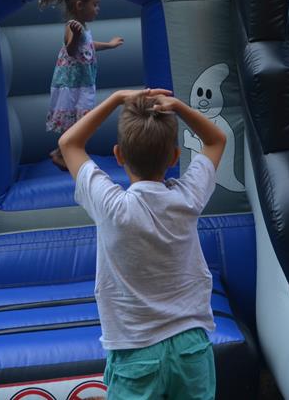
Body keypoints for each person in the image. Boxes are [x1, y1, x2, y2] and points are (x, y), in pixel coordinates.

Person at [57, 88, 226, 400]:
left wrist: (116, 99)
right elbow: (216, 140)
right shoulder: (188, 198)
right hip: (190, 346)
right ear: (174, 157)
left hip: (135, 350)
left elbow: (69, 143)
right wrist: (179, 107)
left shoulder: (112, 207)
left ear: (118, 154)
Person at [41, 0, 123, 169]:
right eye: (95, 5)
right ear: (80, 5)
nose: (97, 9)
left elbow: (88, 45)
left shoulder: (82, 28)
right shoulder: (72, 26)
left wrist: (109, 45)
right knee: (79, 122)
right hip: (71, 85)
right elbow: (71, 50)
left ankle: (61, 152)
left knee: (81, 121)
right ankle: (62, 153)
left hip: (82, 83)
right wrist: (76, 36)